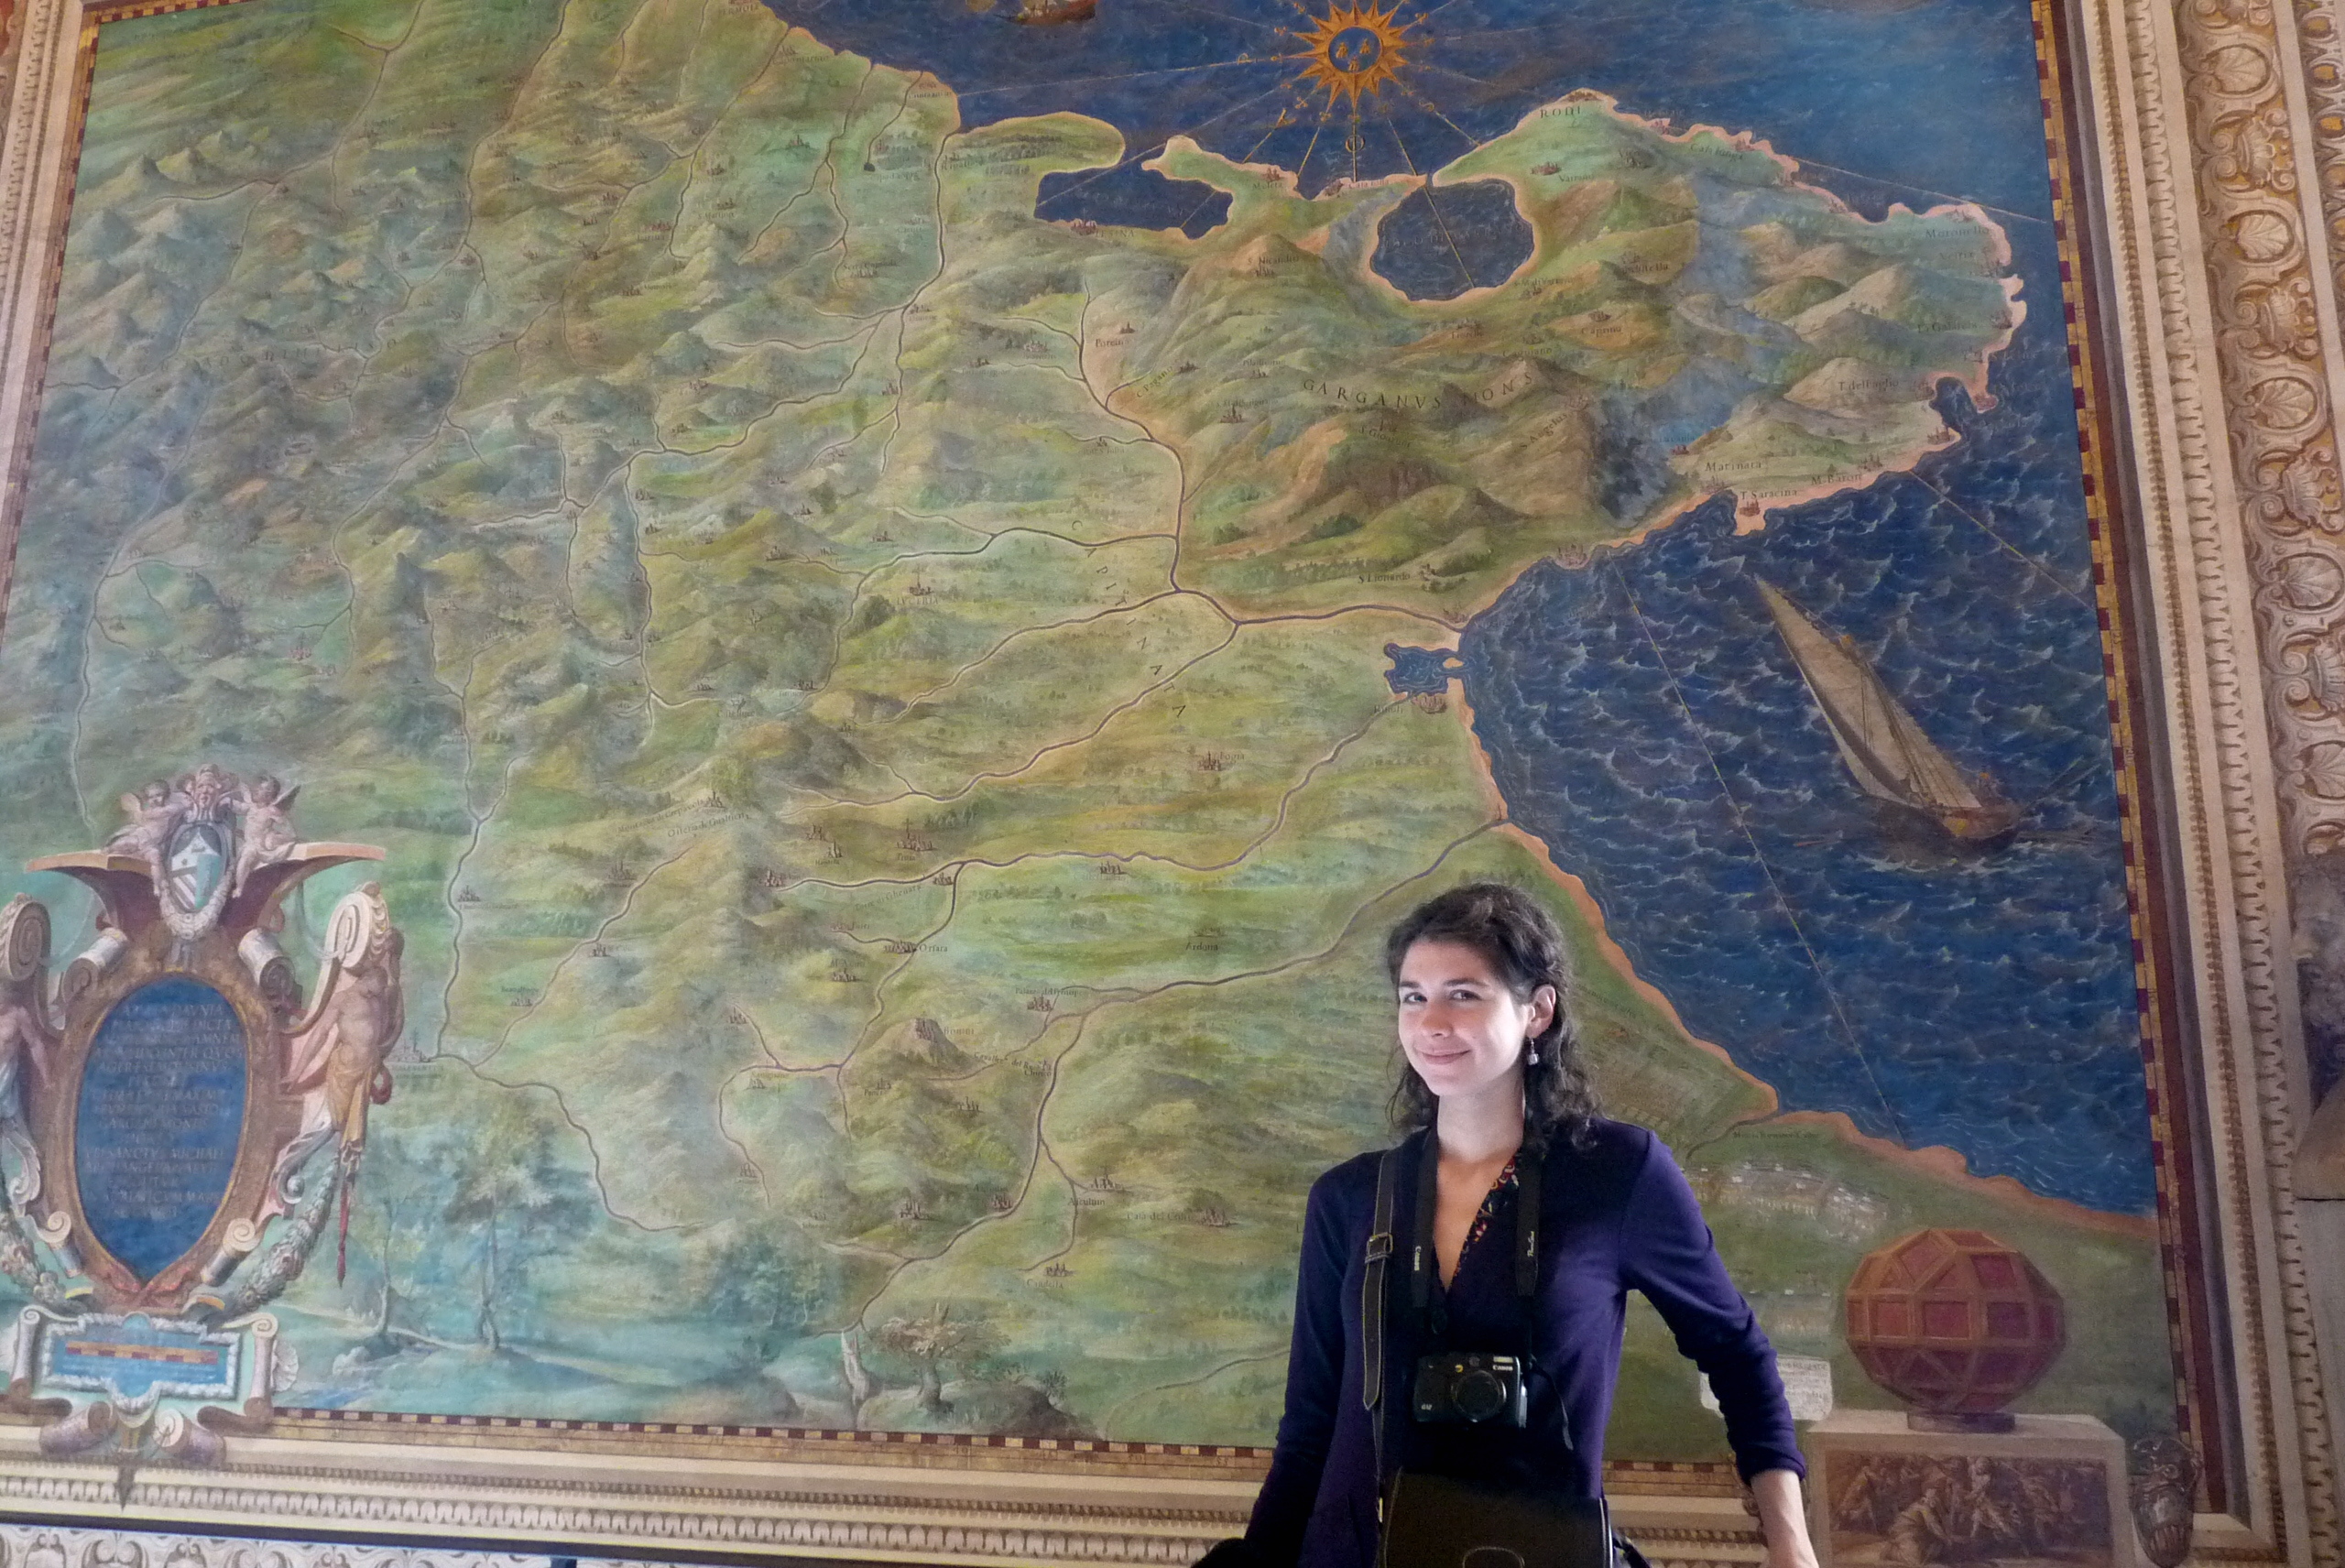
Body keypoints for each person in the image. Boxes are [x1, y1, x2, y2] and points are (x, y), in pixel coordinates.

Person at [1223, 882, 1819, 1568]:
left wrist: (1792, 1545)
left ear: (1537, 1011)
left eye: (1463, 994)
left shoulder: (1616, 1173)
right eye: (1413, 997)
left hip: (1534, 1553)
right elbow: (1308, 1431)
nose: (1431, 1023)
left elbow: (1737, 1355)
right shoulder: (1348, 1198)